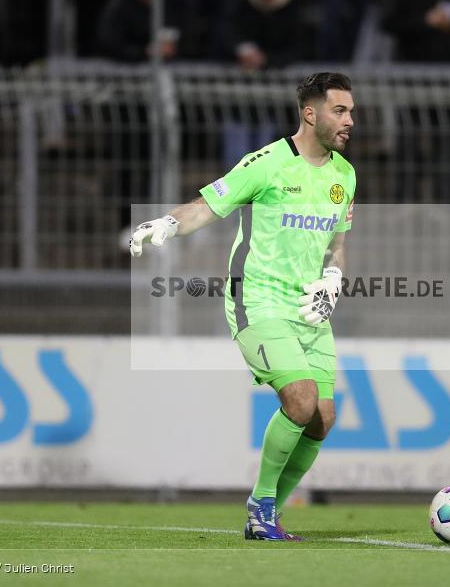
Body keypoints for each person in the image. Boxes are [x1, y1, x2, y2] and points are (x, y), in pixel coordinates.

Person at [129, 72, 356, 541]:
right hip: (257, 298)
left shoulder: (344, 175)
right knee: (300, 398)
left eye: (351, 111)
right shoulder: (266, 163)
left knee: (322, 417)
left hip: (309, 309)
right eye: (340, 110)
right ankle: (262, 507)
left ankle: (268, 510)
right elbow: (207, 206)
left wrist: (333, 277)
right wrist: (169, 224)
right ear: (310, 113)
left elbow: (338, 243)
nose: (350, 120)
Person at [95, 0, 187, 62]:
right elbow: (109, 44)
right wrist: (144, 51)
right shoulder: (121, 3)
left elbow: (192, 39)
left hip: (174, 71)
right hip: (125, 71)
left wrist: (174, 49)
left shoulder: (176, 2)